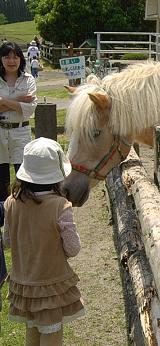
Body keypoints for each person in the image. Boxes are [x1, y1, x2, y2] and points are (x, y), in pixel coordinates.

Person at [2, 137, 85, 345]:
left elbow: (7, 241)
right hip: (50, 283)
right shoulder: (60, 206)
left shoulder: (11, 203)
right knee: (52, 334)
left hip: (24, 282)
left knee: (33, 331)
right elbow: (73, 248)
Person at [0, 41, 37, 201]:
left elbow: (30, 109)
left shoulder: (28, 80)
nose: (11, 61)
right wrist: (18, 100)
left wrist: (3, 101)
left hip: (21, 132)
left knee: (24, 175)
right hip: (0, 132)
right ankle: (3, 216)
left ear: (21, 59)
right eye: (7, 57)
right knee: (1, 179)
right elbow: (23, 106)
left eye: (15, 57)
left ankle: (23, 212)